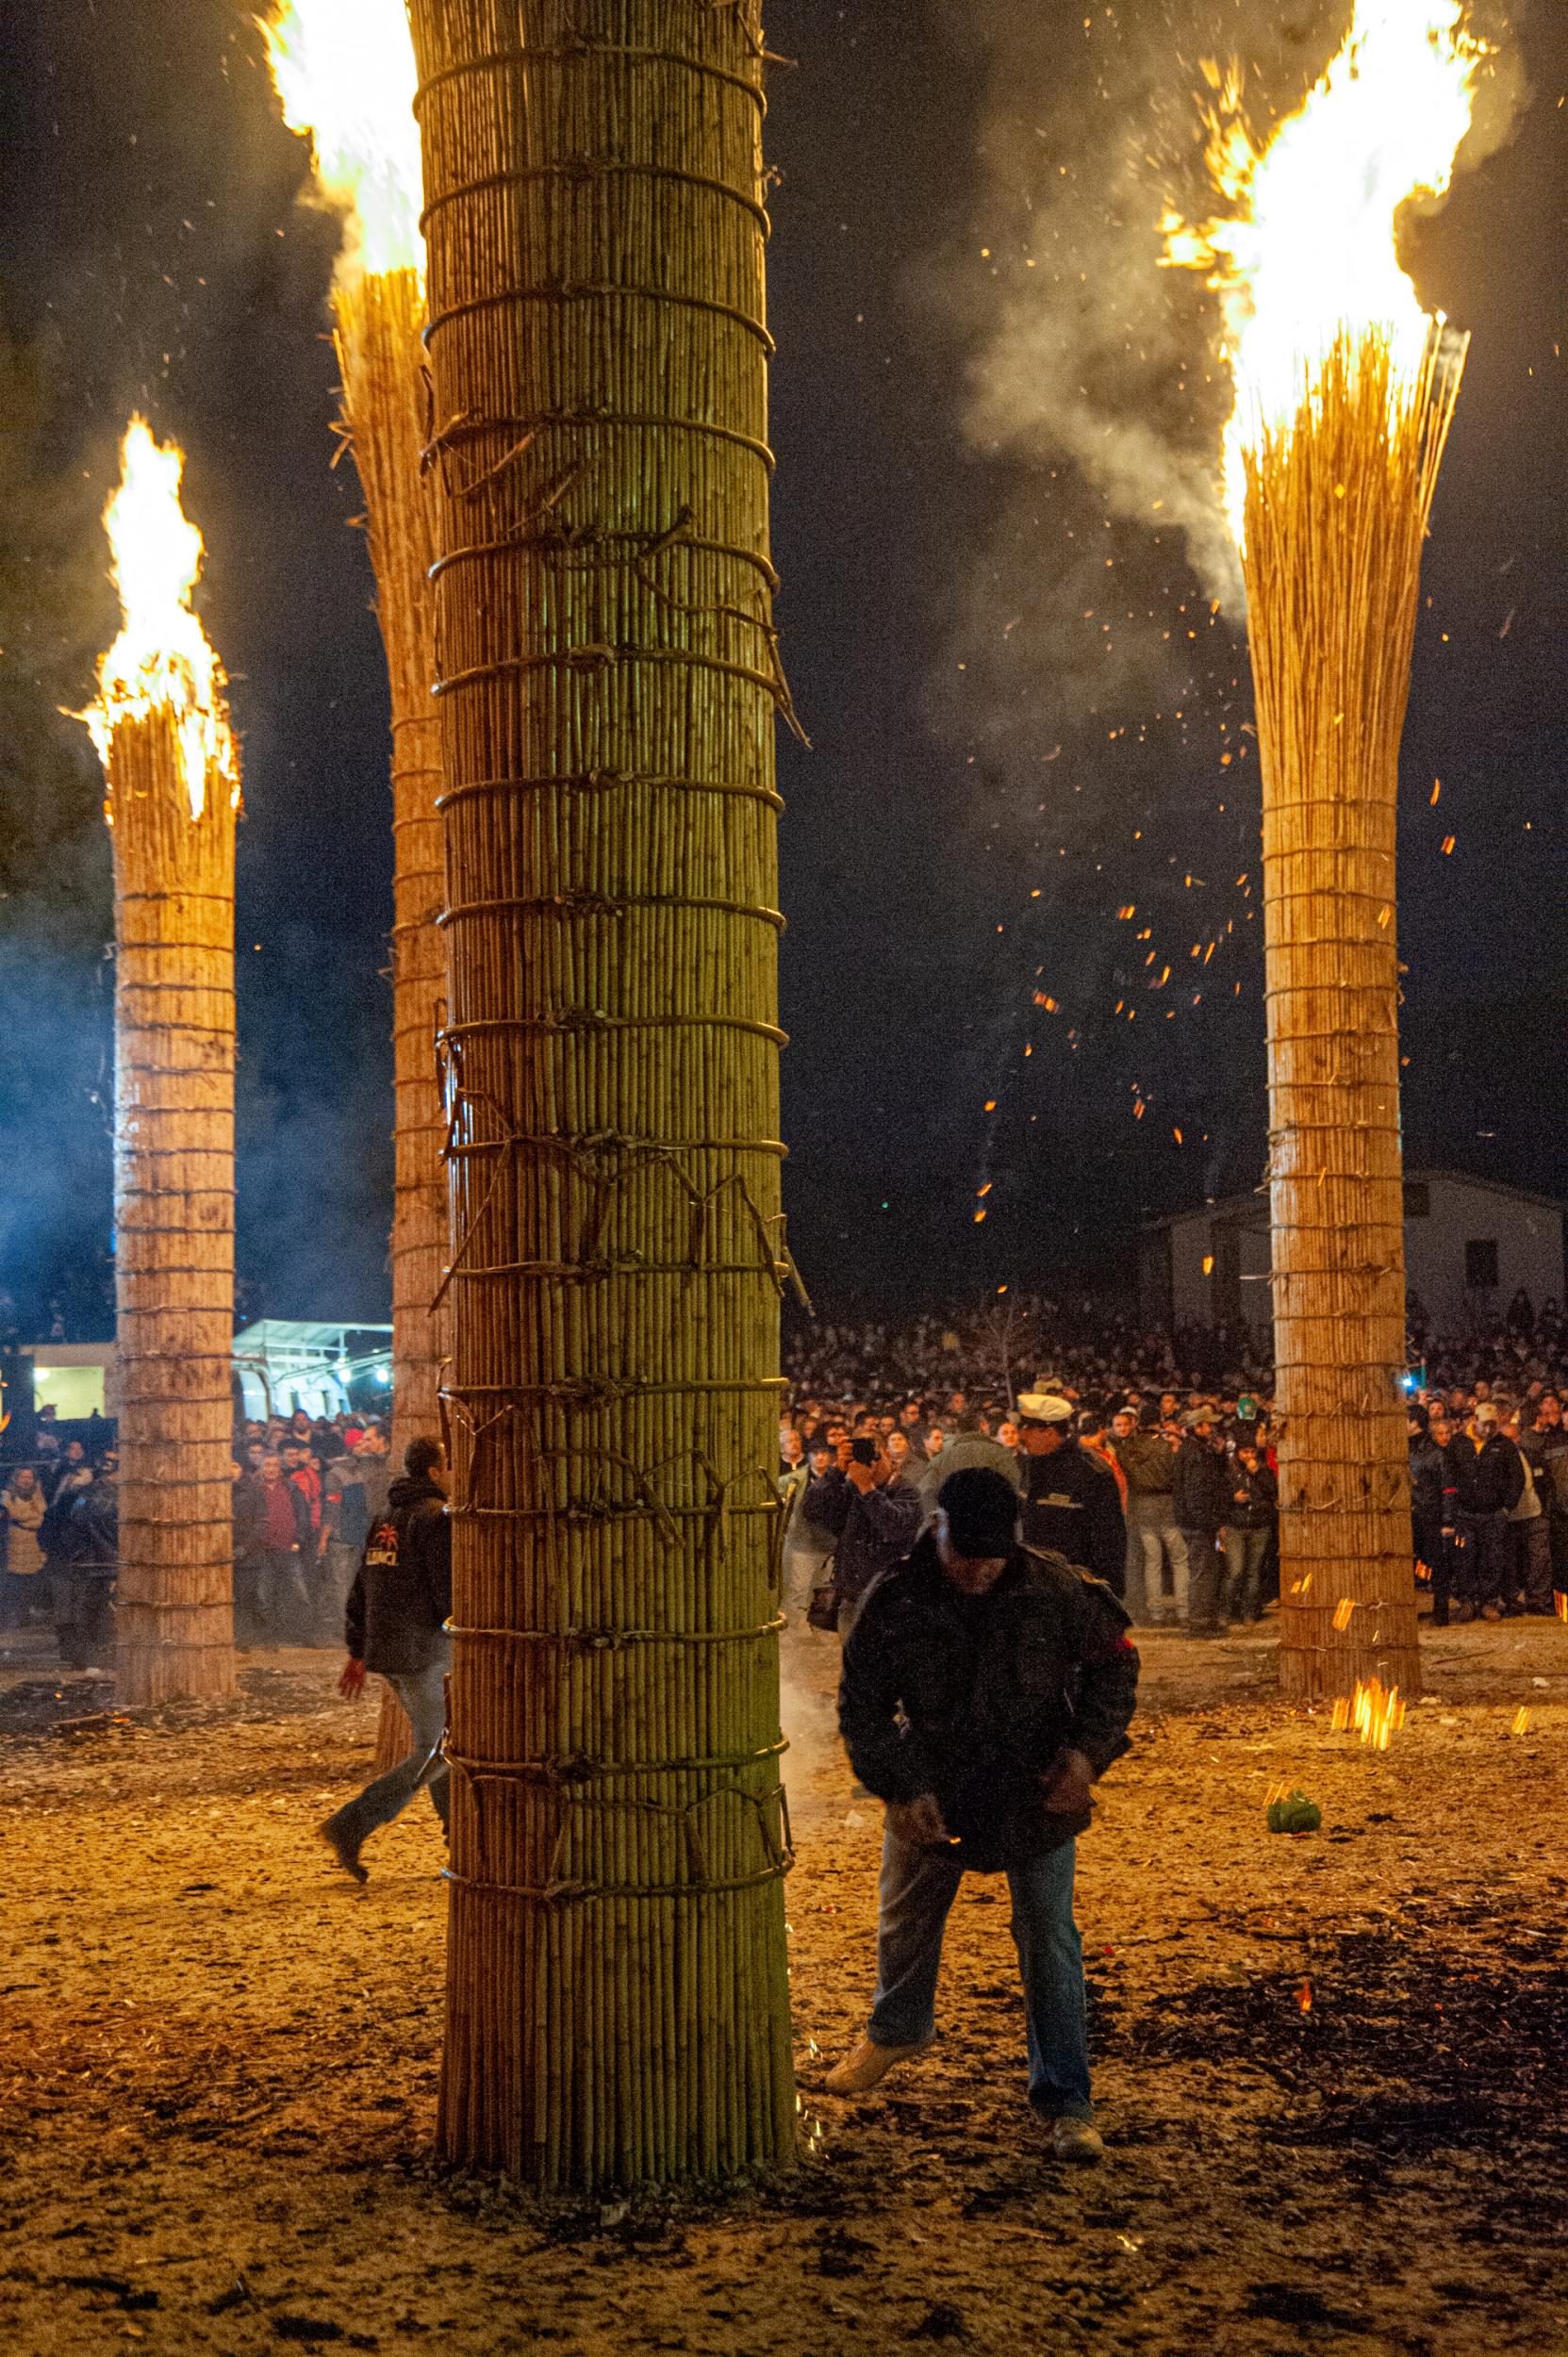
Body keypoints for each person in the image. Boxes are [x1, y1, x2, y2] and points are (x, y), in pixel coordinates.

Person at [825, 1467, 1138, 2162]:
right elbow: (862, 1709)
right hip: (933, 1785)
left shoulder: (1056, 1590)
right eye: (965, 1555)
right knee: (904, 1919)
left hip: (1035, 1789)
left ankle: (1065, 2100)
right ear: (937, 1532)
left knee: (1047, 1938)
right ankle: (897, 2028)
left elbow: (1115, 1666)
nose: (978, 1571)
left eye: (992, 1558)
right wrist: (898, 1789)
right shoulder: (897, 1599)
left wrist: (1086, 1756)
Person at [320, 1436, 454, 1883]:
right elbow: (446, 1595)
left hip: (390, 1651)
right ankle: (352, 1824)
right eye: (448, 1465)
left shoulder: (383, 1518)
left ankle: (459, 1841)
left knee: (441, 1746)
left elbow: (360, 1590)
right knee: (441, 1749)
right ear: (435, 1472)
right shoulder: (435, 1520)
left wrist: (358, 1651)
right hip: (423, 1650)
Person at [804, 1437, 924, 1640]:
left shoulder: (906, 1491)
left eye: (874, 1456)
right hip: (852, 1598)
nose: (871, 1463)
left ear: (888, 1457)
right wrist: (835, 1473)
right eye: (862, 1457)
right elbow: (813, 1511)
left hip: (891, 1600)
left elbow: (894, 1527)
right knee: (852, 1663)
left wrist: (867, 1489)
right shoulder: (851, 1490)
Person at [1014, 1393, 1126, 1595]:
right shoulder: (1026, 1465)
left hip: (1074, 1591)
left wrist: (1108, 1594)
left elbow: (1109, 1539)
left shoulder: (1091, 1471)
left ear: (1048, 1432)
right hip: (1033, 1588)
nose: (1021, 1435)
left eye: (1027, 1429)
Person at [1445, 1401, 1523, 1622]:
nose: (1488, 1431)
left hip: (1493, 1514)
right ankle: (1468, 1601)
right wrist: (1452, 1508)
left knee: (1493, 1558)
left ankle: (1489, 1601)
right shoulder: (1458, 1443)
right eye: (1484, 1425)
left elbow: (1516, 1478)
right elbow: (1449, 1477)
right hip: (1465, 1514)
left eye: (1492, 1426)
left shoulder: (1505, 1445)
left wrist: (1507, 1507)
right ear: (1475, 1421)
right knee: (1464, 1557)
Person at [1107, 1409, 1184, 1626]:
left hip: (1142, 1509)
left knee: (1152, 1561)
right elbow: (1174, 1476)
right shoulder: (1166, 1447)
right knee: (1179, 1559)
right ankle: (1183, 1609)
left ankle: (1156, 1611)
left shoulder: (1127, 1449)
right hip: (1167, 1507)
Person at [53, 1455, 118, 1673]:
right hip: (99, 1563)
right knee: (98, 1611)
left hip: (91, 1563)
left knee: (91, 1611)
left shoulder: (85, 1496)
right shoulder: (108, 1499)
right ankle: (93, 1656)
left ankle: (90, 1656)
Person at [1173, 1409, 1230, 1637]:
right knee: (1202, 1572)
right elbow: (1197, 1492)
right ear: (1198, 1428)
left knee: (1205, 1570)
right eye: (1208, 1425)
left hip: (1197, 1522)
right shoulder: (1195, 1453)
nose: (1211, 1428)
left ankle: (1205, 1618)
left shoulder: (1193, 1450)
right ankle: (1199, 1622)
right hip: (1199, 1525)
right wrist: (1210, 1523)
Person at [255, 1451, 313, 1640]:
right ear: (262, 1468)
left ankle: (303, 1635)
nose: (270, 1469)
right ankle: (270, 1638)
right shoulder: (255, 1489)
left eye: (274, 1466)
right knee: (264, 1595)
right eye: (267, 1465)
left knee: (299, 1593)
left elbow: (303, 1516)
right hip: (264, 1549)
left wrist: (298, 1541)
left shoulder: (292, 1488)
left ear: (280, 1469)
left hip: (288, 1548)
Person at [1220, 1434, 1277, 1625]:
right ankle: (1226, 1612)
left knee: (1254, 1572)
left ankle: (1249, 1613)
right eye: (1245, 1452)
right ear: (1238, 1453)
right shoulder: (1228, 1471)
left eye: (1252, 1451)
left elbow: (1272, 1492)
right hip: (1235, 1526)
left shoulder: (1264, 1471)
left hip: (1258, 1526)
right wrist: (1233, 1498)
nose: (1249, 1455)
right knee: (1235, 1571)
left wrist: (1256, 1474)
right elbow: (1219, 1495)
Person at [1409, 1404, 1449, 1622]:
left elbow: (1447, 1487)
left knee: (1436, 1562)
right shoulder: (1402, 1448)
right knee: (1410, 1563)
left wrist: (1447, 1518)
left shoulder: (1434, 1452)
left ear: (1415, 1423)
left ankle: (1441, 1610)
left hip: (1429, 1513)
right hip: (1409, 1513)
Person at [1, 1464, 48, 1629]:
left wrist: (35, 1504)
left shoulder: (36, 1495)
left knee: (31, 1579)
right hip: (16, 1542)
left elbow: (42, 1513)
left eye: (30, 1477)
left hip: (33, 1541)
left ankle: (27, 1612)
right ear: (16, 1478)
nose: (27, 1480)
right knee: (16, 1580)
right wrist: (32, 1516)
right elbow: (14, 1514)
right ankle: (15, 1615)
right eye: (23, 1477)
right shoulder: (8, 1495)